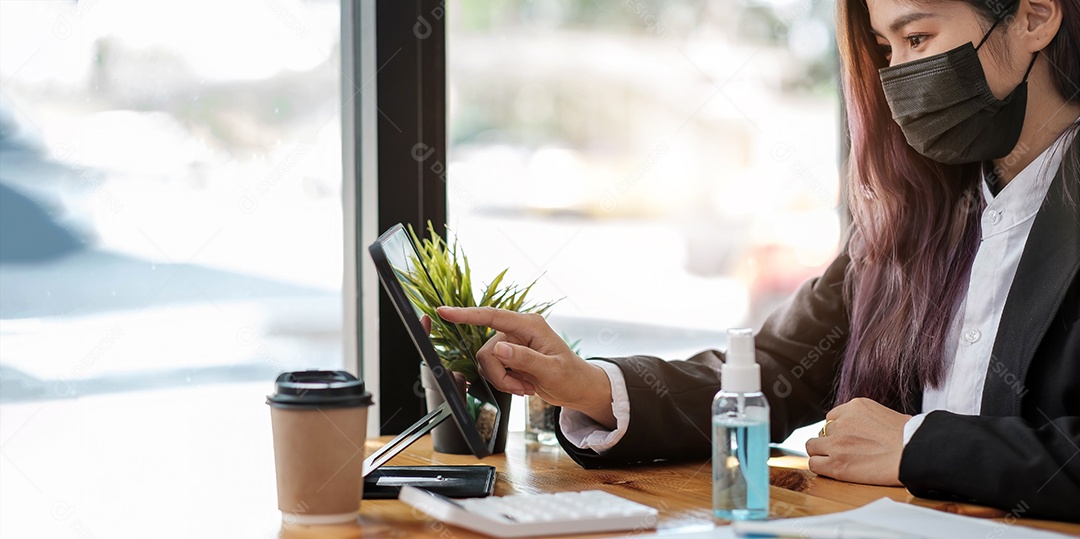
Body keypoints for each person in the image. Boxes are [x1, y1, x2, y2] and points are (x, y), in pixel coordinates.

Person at [439, 0, 1080, 522]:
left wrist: (918, 445)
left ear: (1034, 17)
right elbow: (773, 371)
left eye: (917, 38)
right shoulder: (920, 216)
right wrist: (590, 386)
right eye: (886, 49)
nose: (897, 79)